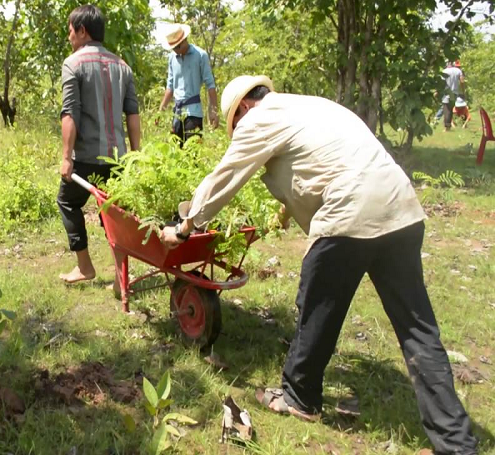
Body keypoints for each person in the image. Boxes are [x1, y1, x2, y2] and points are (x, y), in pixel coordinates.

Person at [161, 75, 478, 455]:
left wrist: (185, 228)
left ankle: (299, 397)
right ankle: (457, 444)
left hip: (348, 213)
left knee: (315, 306)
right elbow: (323, 160)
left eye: (235, 124)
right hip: (402, 209)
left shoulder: (259, 119)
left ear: (243, 109)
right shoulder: (313, 104)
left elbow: (226, 176)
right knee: (418, 330)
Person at [57, 5, 141, 284]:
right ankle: (121, 277)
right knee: (114, 215)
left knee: (67, 202)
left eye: (70, 30)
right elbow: (133, 114)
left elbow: (70, 112)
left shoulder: (73, 64)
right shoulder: (123, 66)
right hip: (118, 160)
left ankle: (84, 267)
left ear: (83, 31)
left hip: (86, 158)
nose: (69, 36)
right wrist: (135, 156)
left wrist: (66, 157)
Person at [158, 23, 218, 146]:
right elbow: (170, 87)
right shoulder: (172, 58)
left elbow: (210, 85)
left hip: (193, 113)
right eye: (173, 48)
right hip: (177, 114)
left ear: (185, 40)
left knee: (193, 152)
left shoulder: (200, 55)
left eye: (178, 47)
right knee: (176, 153)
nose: (177, 50)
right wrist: (160, 111)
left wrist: (213, 111)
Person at [441, 60, 468, 131]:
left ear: (447, 64)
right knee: (450, 109)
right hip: (455, 93)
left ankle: (447, 127)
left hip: (446, 92)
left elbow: (442, 83)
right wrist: (463, 91)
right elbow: (462, 81)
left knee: (446, 109)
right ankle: (449, 125)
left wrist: (437, 91)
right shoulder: (458, 71)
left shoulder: (444, 71)